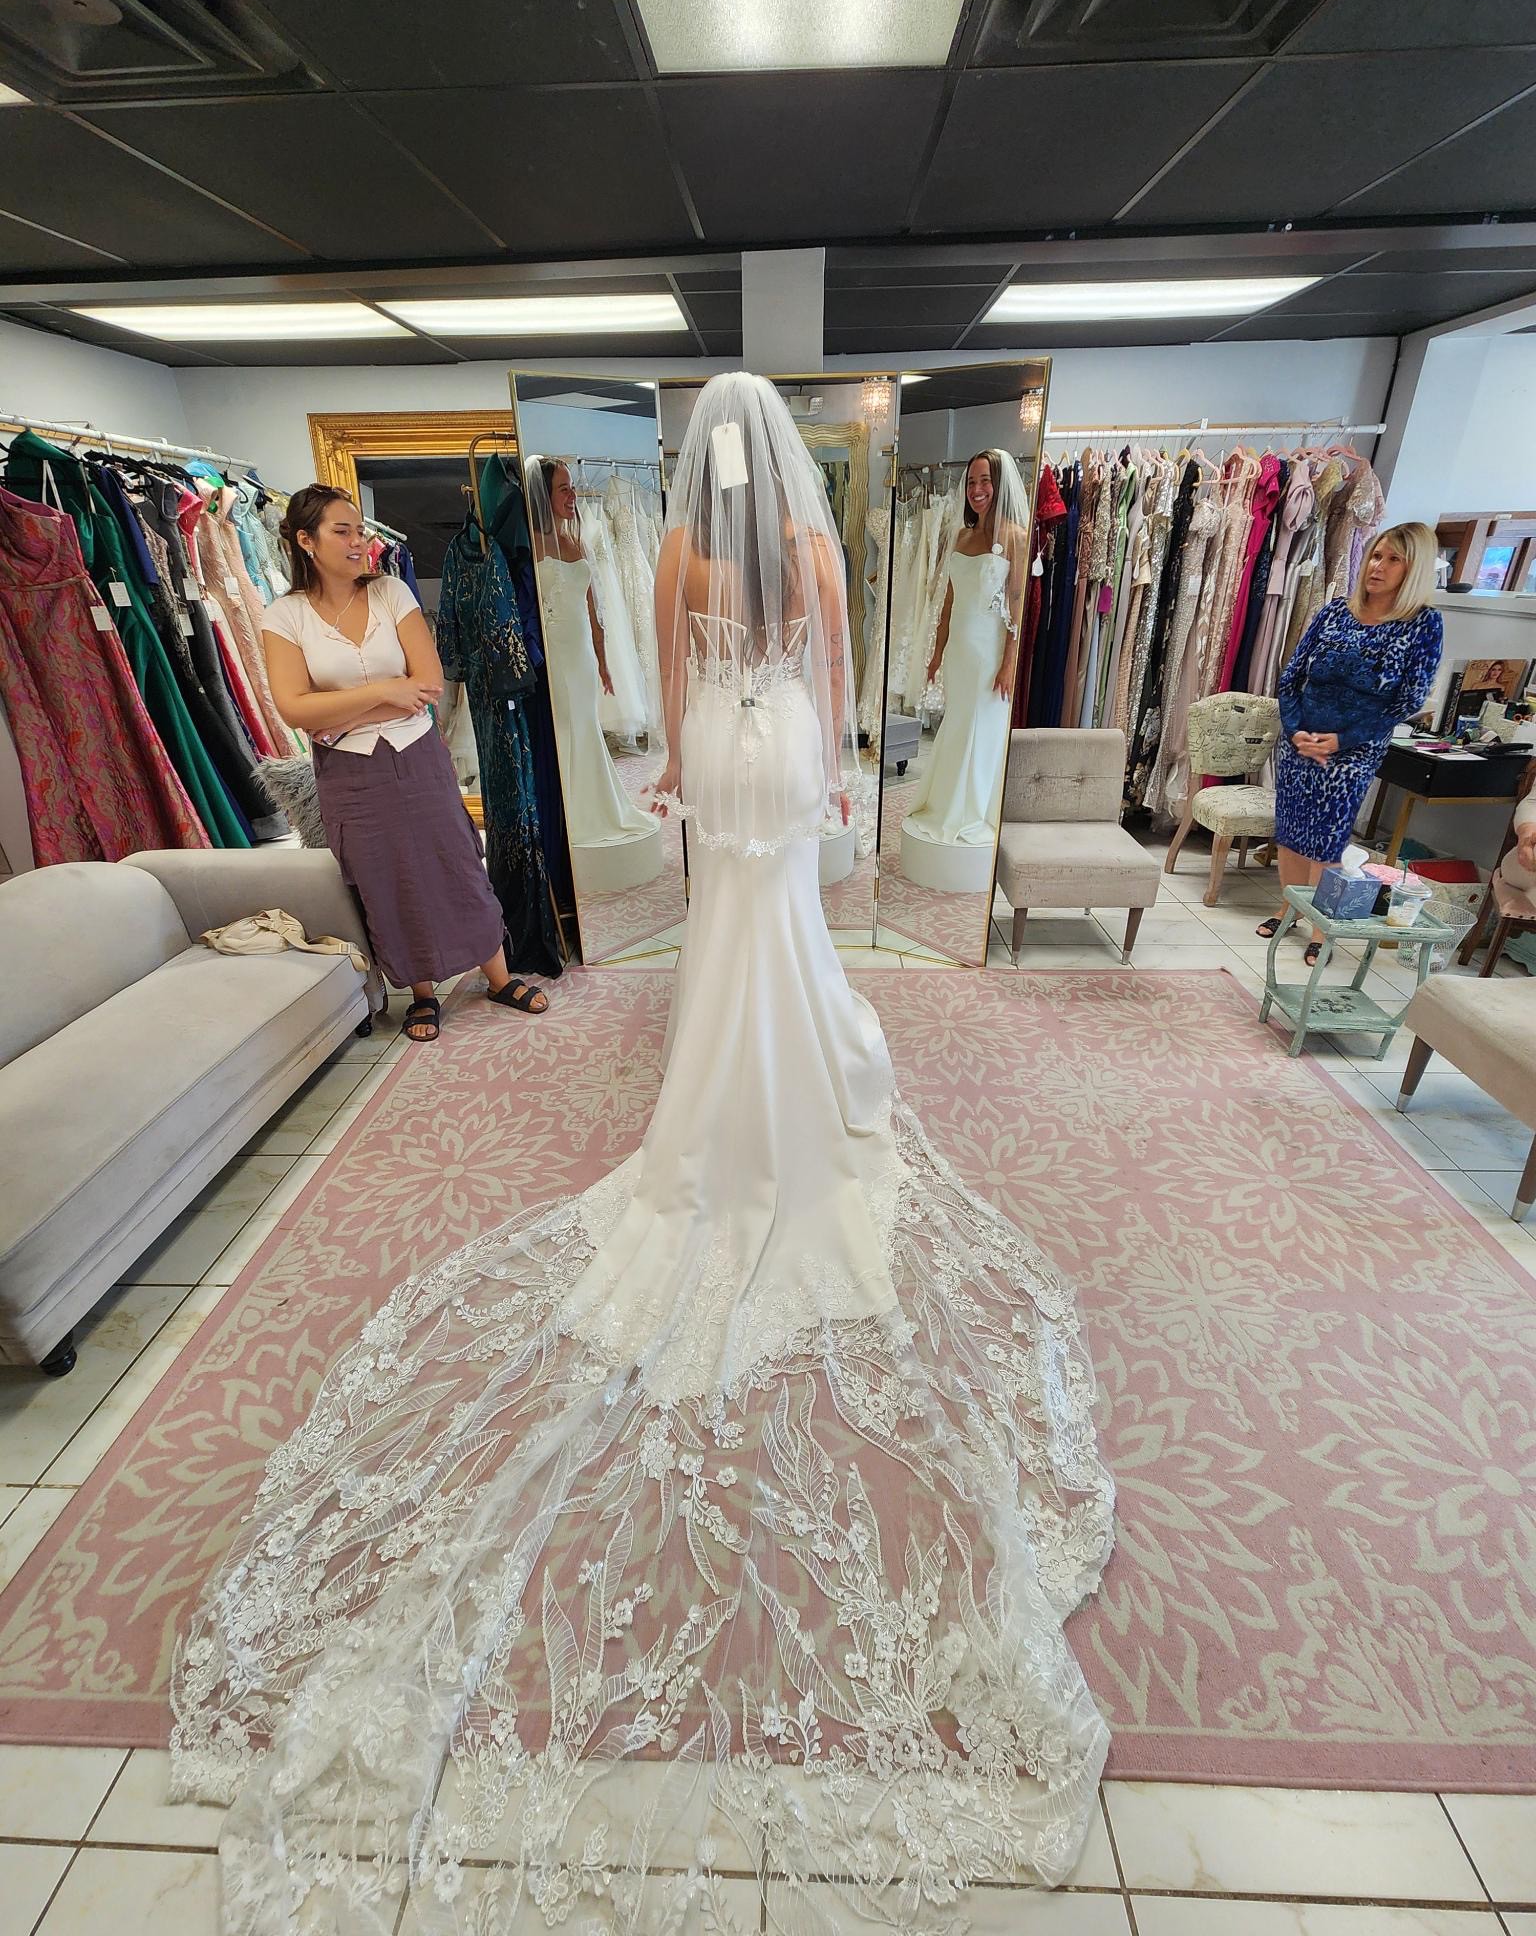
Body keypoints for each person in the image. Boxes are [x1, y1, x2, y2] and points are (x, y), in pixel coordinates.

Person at [173, 379, 1113, 1929]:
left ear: (698, 472)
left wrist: (685, 772)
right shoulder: (814, 555)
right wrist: (821, 765)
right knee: (790, 920)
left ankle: (716, 1110)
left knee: (724, 930)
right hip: (787, 743)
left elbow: (674, 687)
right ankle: (799, 1091)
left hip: (724, 757)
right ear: (783, 471)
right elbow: (830, 670)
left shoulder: (676, 557)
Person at [263, 484, 548, 1038]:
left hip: (416, 754)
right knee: (386, 878)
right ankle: (421, 991)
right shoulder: (285, 616)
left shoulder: (391, 592)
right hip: (350, 773)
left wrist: (339, 711)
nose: (357, 541)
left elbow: (428, 683)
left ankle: (498, 975)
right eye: (341, 531)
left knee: (456, 861)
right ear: (306, 541)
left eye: (359, 530)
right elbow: (294, 708)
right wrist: (385, 692)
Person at [1259, 521, 1444, 963]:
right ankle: (1288, 908)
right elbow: (1292, 676)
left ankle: (1321, 927)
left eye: (1393, 559)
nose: (1378, 566)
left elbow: (1407, 699)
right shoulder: (1335, 611)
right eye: (1376, 555)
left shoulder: (1423, 624)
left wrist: (1340, 741)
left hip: (1354, 752)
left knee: (1325, 839)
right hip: (1300, 741)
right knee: (1290, 831)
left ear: (1413, 568)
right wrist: (1296, 729)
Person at [526, 455, 661, 853]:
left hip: (582, 654)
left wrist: (602, 662)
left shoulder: (575, 541)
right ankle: (570, 812)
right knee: (566, 728)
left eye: (572, 488)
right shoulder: (529, 546)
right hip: (554, 655)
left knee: (585, 725)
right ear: (543, 495)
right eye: (563, 489)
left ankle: (595, 808)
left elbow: (593, 608)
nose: (573, 496)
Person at [904, 448, 1030, 847]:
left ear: (1000, 485)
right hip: (960, 649)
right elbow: (948, 602)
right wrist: (937, 653)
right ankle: (945, 802)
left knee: (982, 725)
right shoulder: (961, 536)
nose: (977, 489)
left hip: (988, 651)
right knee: (958, 722)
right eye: (972, 481)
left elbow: (1017, 605)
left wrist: (1008, 664)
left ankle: (972, 810)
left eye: (985, 481)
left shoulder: (1016, 537)